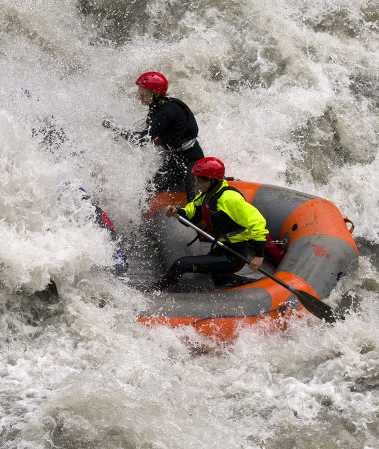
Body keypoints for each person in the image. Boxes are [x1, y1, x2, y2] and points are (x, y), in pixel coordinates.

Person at [156, 156, 268, 289]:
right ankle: (253, 283)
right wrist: (177, 212)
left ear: (213, 181)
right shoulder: (208, 194)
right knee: (218, 278)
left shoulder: (230, 199)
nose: (196, 184)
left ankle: (159, 290)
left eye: (199, 181)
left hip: (232, 256)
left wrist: (259, 256)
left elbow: (258, 222)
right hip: (218, 249)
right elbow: (192, 211)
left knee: (181, 264)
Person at [104, 71, 204, 199]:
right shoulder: (156, 108)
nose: (140, 98)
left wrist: (115, 128)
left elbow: (141, 140)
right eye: (139, 94)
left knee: (192, 195)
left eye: (143, 94)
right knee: (149, 190)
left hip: (191, 158)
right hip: (173, 159)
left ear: (155, 94)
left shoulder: (167, 111)